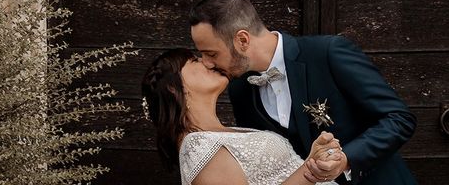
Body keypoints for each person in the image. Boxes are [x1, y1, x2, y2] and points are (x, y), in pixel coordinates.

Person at [189, 0, 417, 184]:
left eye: (211, 53)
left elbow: (399, 118)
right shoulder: (240, 89)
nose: (207, 63)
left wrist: (346, 159)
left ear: (242, 40)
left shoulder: (328, 53)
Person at [141, 48, 344, 185]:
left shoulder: (226, 133)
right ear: (172, 87)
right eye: (195, 60)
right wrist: (309, 172)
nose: (208, 62)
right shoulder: (198, 146)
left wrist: (318, 160)